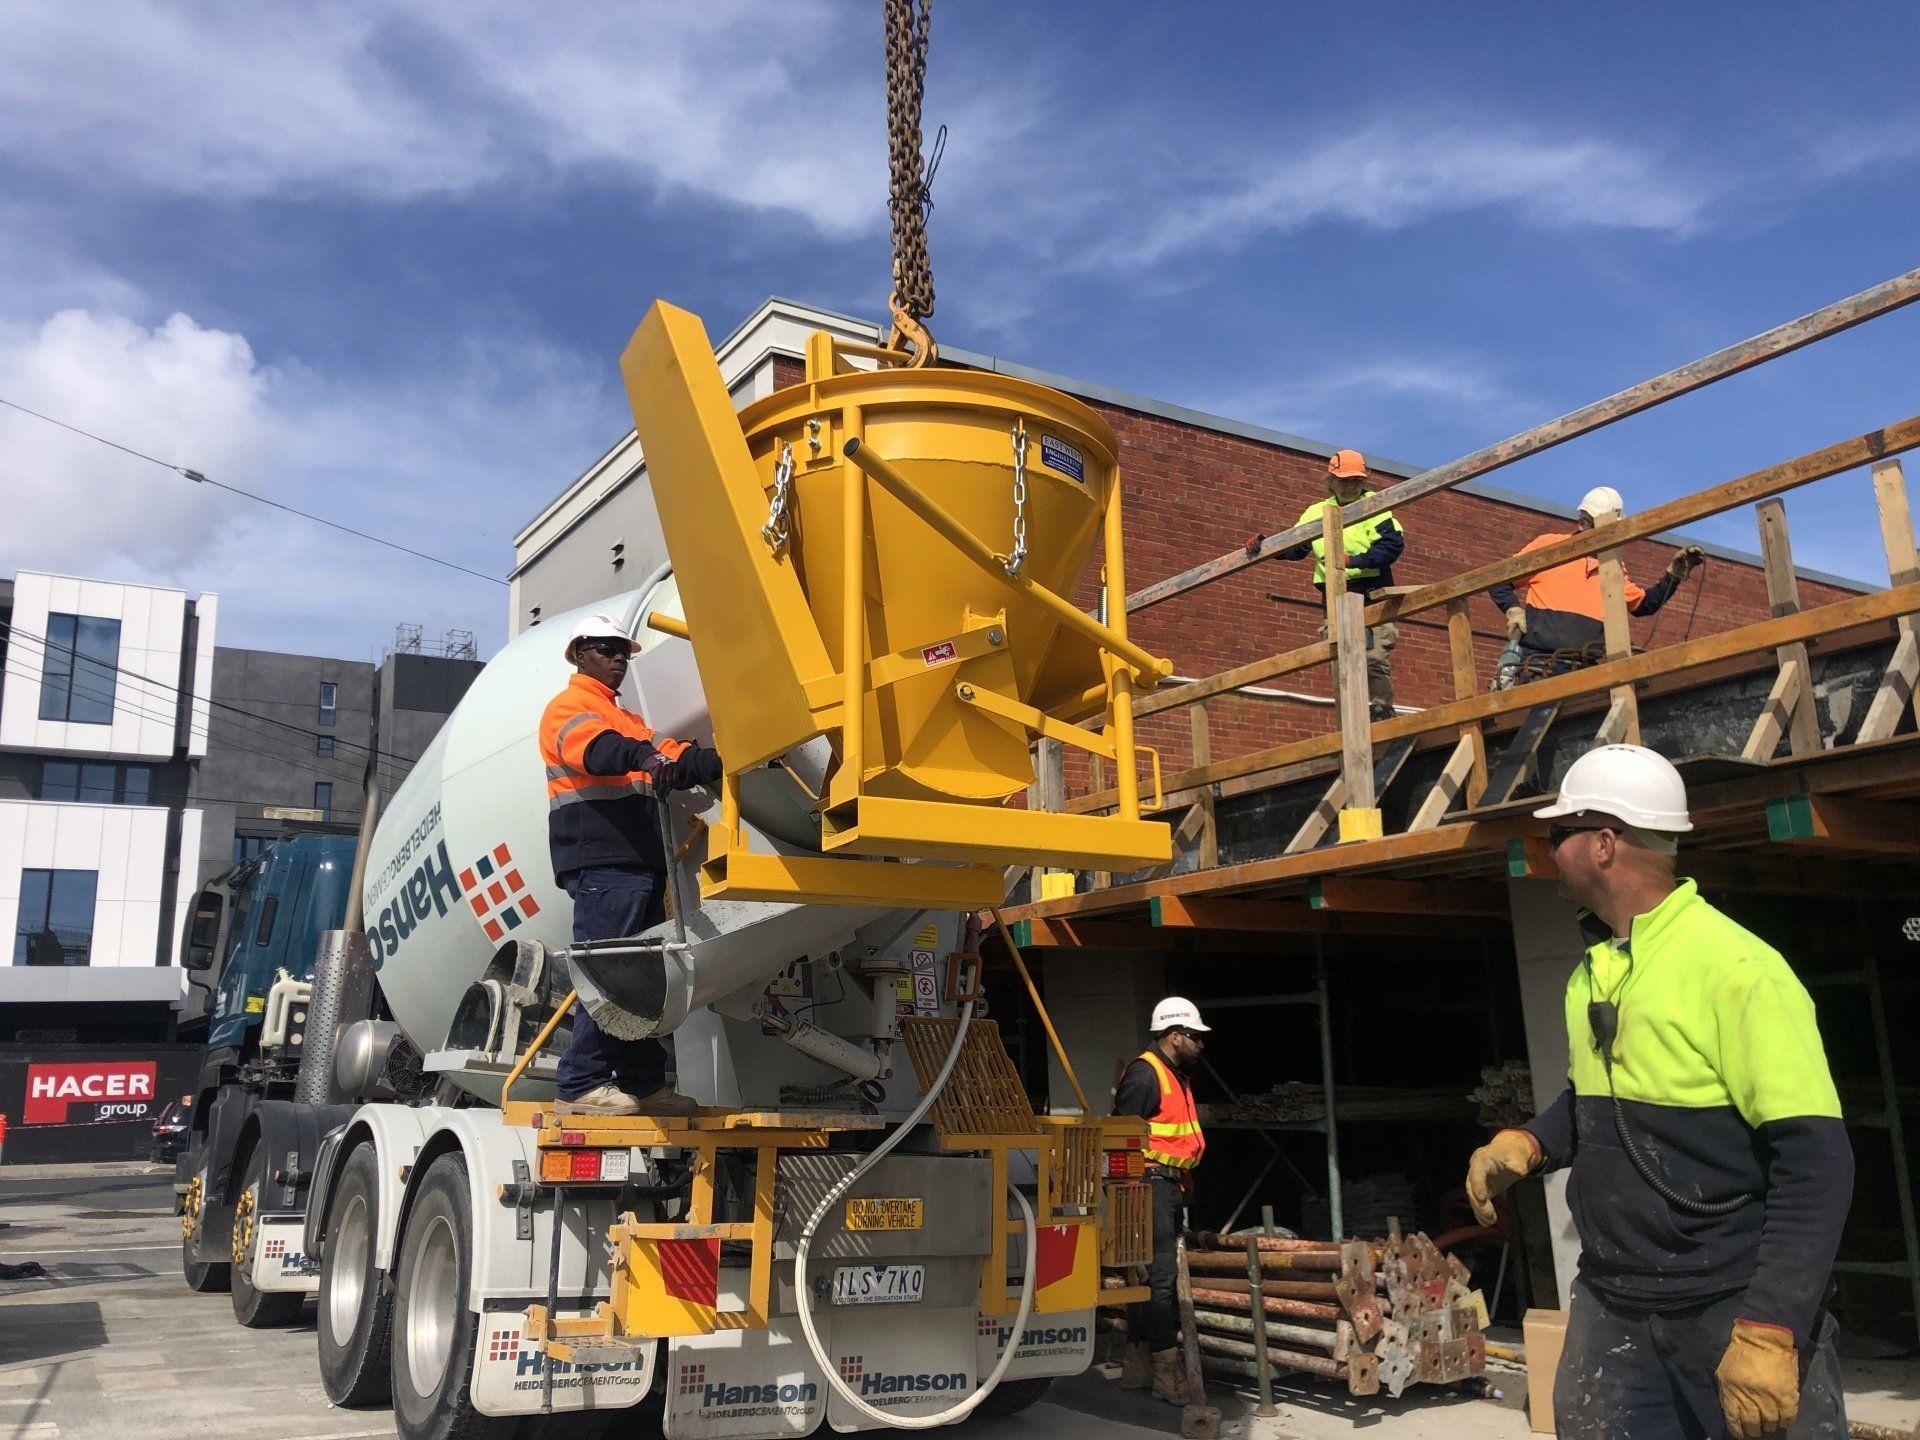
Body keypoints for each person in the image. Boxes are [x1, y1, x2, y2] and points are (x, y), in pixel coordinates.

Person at [1465, 744, 1851, 1439]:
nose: (1549, 851)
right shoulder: (1596, 969)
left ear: (1605, 844)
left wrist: (1771, 1326)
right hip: (1614, 1303)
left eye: (1560, 835)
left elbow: (1817, 1162)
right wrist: (1530, 1141)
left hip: (1729, 1303)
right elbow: (1600, 1101)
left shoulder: (1738, 969)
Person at [539, 613, 723, 1117]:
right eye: (607, 649)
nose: (619, 658)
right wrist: (650, 759)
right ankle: (580, 1084)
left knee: (642, 977)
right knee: (607, 971)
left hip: (636, 861)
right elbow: (602, 752)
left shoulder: (625, 718)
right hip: (602, 859)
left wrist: (715, 757)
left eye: (624, 651)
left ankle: (642, 1084)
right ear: (580, 654)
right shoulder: (569, 709)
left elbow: (666, 753)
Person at [1489, 486, 1704, 687]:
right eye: (1599, 526)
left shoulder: (1611, 566)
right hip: (1538, 667)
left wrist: (1673, 576)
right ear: (1582, 522)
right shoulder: (1549, 546)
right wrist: (1513, 609)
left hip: (1585, 672)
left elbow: (1643, 605)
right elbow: (1497, 579)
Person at [1112, 997, 1210, 1404]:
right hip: (1145, 1186)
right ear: (1175, 1036)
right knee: (1160, 1282)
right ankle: (1167, 1373)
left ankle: (1137, 1364)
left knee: (1149, 1280)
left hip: (1166, 1184)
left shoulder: (1173, 1073)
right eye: (1195, 1037)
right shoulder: (1146, 1075)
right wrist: (1131, 1191)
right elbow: (1119, 1140)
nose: (1201, 1045)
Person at [1273, 448, 1405, 720]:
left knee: (1374, 655)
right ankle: (1349, 717)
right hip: (1334, 596)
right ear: (1331, 481)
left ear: (1364, 481)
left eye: (1355, 481)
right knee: (1340, 659)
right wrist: (1266, 546)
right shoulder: (1316, 512)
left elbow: (1392, 546)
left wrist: (1354, 560)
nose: (1349, 486)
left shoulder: (1374, 504)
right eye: (1343, 481)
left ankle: (1381, 709)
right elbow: (1296, 549)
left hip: (1372, 591)